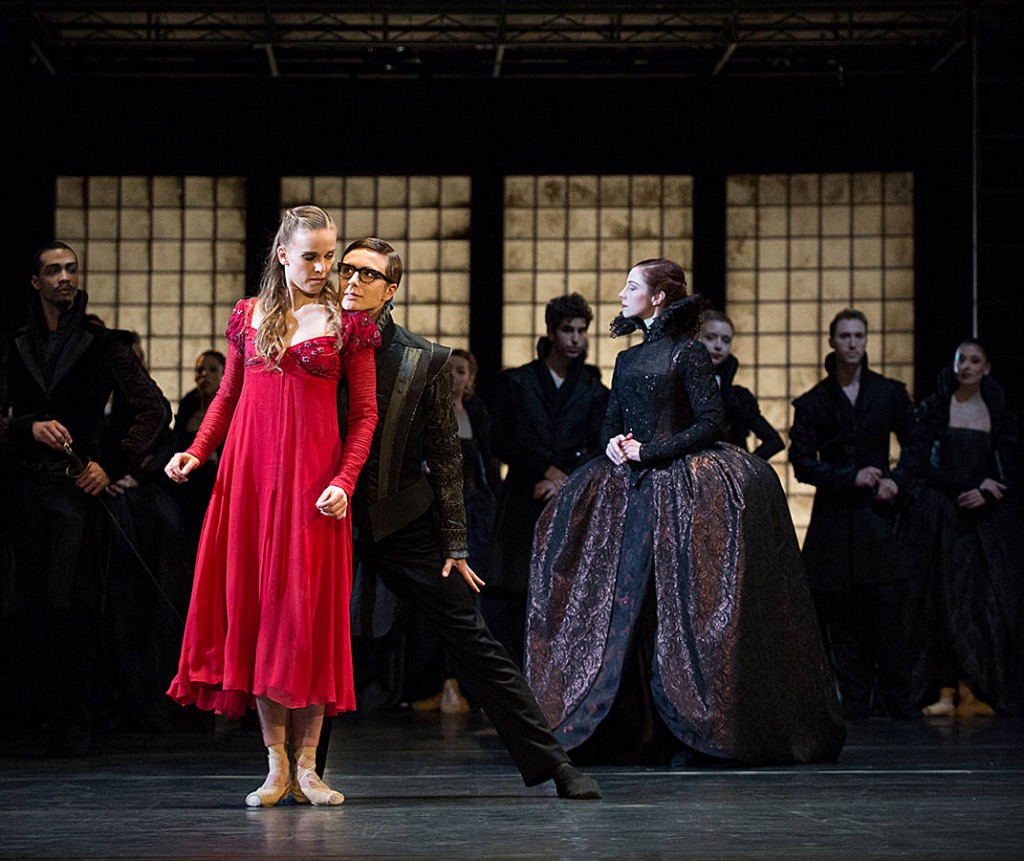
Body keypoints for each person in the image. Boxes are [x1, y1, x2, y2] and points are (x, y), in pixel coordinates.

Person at [526, 258, 845, 766]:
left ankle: (689, 728)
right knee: (622, 603)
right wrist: (613, 447)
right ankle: (632, 726)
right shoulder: (628, 360)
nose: (621, 293)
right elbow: (611, 422)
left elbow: (711, 423)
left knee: (680, 608)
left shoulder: (689, 353)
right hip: (628, 487)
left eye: (631, 286)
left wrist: (649, 452)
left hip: (680, 488)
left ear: (657, 298)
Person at [320, 237, 601, 800]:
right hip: (329, 521)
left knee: (475, 641)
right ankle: (303, 769)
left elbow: (446, 456)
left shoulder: (422, 359)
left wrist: (455, 541)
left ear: (391, 289)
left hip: (406, 520)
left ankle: (554, 764)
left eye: (366, 274)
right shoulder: (314, 346)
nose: (350, 281)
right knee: (314, 640)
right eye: (343, 269)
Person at [164, 206, 380, 807]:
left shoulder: (348, 323)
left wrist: (345, 479)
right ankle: (275, 764)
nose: (322, 268)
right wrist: (197, 452)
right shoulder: (248, 315)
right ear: (283, 254)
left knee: (306, 616)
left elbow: (364, 415)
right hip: (250, 484)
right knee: (257, 613)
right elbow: (228, 395)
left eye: (329, 256)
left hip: (315, 490)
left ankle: (310, 764)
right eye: (310, 256)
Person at [0, 240, 170, 756]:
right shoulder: (14, 343)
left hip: (76, 487)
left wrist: (113, 465)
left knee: (68, 599)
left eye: (71, 269)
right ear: (36, 282)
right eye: (54, 271)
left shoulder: (102, 343)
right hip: (23, 484)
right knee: (26, 600)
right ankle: (41, 714)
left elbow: (153, 408)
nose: (65, 278)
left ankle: (80, 716)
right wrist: (25, 426)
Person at [790, 309, 919, 721]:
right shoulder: (813, 401)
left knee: (886, 609)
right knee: (840, 613)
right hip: (833, 519)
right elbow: (802, 462)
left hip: (877, 518)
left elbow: (917, 445)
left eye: (858, 335)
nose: (851, 343)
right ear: (832, 341)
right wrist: (849, 477)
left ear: (866, 341)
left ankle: (898, 698)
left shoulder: (888, 393)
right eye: (844, 335)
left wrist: (896, 480)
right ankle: (855, 699)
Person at [487, 294, 609, 665]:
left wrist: (564, 478)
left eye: (581, 331)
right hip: (525, 493)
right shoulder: (517, 382)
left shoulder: (593, 390)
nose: (575, 338)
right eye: (567, 330)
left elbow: (600, 444)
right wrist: (543, 469)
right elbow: (501, 440)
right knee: (518, 587)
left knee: (568, 586)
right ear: (550, 333)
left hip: (572, 496)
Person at [902, 338, 1021, 716]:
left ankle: (979, 687)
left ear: (986, 368)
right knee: (942, 601)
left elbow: (1009, 466)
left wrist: (988, 492)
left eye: (974, 361)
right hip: (944, 517)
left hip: (986, 524)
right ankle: (945, 689)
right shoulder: (938, 408)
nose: (966, 367)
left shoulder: (999, 412)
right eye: (961, 360)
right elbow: (923, 463)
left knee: (982, 604)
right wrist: (965, 487)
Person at [409, 348, 500, 714]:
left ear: (471, 379)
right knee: (439, 598)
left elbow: (489, 465)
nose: (454, 377)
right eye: (448, 371)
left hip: (474, 514)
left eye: (461, 371)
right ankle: (438, 683)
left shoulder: (478, 414)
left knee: (472, 599)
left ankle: (468, 687)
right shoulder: (426, 413)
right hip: (435, 514)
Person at [698, 309, 784, 460]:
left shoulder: (739, 397)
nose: (718, 346)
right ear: (695, 337)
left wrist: (746, 467)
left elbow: (774, 441)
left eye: (726, 340)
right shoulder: (676, 387)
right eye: (710, 337)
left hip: (732, 476)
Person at [172, 349, 226, 554]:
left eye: (213, 369)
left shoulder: (233, 406)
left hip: (219, 479)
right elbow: (176, 440)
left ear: (224, 373)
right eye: (200, 370)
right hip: (189, 481)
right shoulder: (188, 404)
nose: (205, 375)